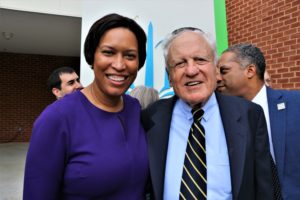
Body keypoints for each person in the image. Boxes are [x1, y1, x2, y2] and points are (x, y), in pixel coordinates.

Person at [23, 13, 149, 199]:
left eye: (130, 55)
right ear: (92, 57)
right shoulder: (56, 118)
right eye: (108, 52)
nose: (120, 65)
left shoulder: (134, 109)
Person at [142, 28, 273, 200]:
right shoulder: (150, 118)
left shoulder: (250, 115)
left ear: (216, 69)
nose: (191, 71)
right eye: (180, 63)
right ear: (170, 76)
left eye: (200, 60)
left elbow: (264, 189)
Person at [216, 43, 300, 200]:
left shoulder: (296, 104)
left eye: (224, 71)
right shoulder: (221, 120)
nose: (217, 78)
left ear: (250, 71)